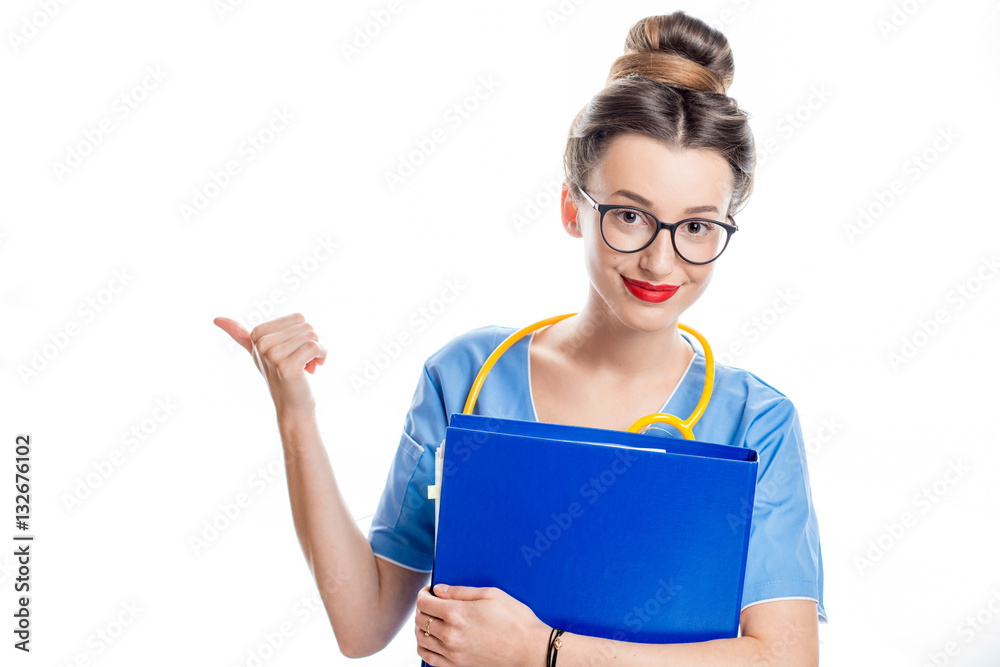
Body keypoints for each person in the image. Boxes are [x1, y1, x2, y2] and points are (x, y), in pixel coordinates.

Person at [215, 10, 826, 666]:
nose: (660, 260)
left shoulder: (755, 421)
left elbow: (785, 658)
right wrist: (295, 414)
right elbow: (362, 623)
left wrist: (545, 651)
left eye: (698, 227)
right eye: (628, 215)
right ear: (573, 208)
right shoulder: (470, 375)